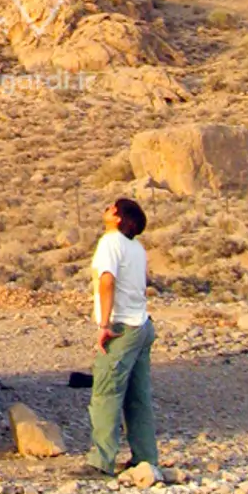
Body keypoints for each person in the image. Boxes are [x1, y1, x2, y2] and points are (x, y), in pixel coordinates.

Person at [84, 196, 157, 477]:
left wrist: (104, 323)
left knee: (106, 394)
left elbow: (107, 281)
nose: (105, 210)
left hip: (122, 327)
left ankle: (101, 461)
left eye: (110, 208)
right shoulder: (136, 247)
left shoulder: (110, 242)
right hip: (142, 326)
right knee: (138, 396)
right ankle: (146, 457)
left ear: (118, 218)